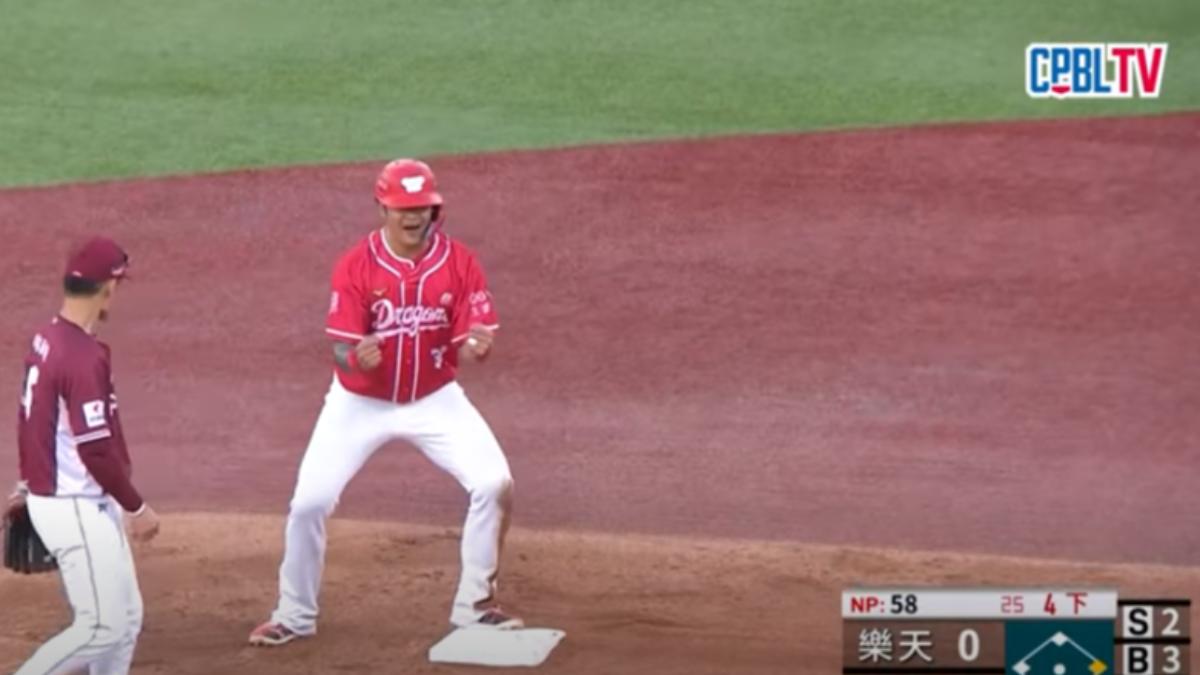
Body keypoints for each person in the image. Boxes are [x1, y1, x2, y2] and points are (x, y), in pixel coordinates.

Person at [250, 158, 520, 647]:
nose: (413, 217)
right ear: (382, 208)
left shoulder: (460, 262)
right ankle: (294, 614)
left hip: (435, 399)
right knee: (309, 502)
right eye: (403, 208)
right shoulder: (356, 265)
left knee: (494, 483)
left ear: (435, 209)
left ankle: (476, 606)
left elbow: (473, 337)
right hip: (359, 402)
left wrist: (477, 347)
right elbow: (339, 348)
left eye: (422, 208)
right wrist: (356, 357)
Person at [13, 236, 161, 675]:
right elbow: (95, 449)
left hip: (73, 497)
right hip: (73, 504)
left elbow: (34, 419)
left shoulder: (48, 338)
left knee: (125, 619)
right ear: (108, 288)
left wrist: (28, 480)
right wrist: (136, 506)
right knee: (101, 627)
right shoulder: (80, 357)